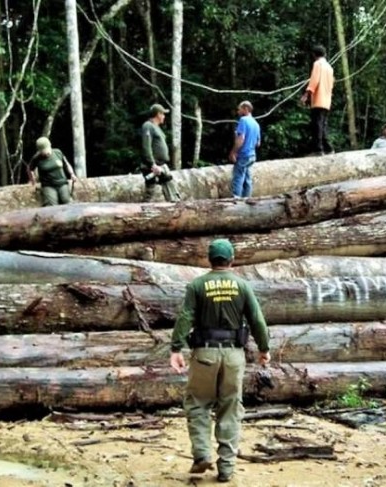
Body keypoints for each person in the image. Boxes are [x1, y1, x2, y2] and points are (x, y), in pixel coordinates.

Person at [170, 239, 270, 483]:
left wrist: (176, 348)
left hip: (204, 353)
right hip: (234, 356)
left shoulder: (197, 285)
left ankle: (202, 453)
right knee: (230, 407)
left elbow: (186, 317)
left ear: (209, 260)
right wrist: (264, 348)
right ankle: (226, 467)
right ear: (231, 260)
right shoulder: (242, 285)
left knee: (197, 403)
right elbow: (257, 319)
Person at [141, 103, 181, 202]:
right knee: (151, 191)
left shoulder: (156, 127)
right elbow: (146, 146)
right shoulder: (148, 126)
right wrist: (152, 164)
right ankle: (144, 211)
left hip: (161, 164)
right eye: (163, 114)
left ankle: (174, 205)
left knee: (169, 184)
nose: (164, 116)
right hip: (153, 165)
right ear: (158, 114)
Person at [300, 45, 334, 156]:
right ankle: (328, 148)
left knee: (317, 125)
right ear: (325, 54)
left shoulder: (317, 64)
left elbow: (314, 81)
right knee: (322, 124)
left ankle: (318, 149)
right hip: (327, 100)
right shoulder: (329, 67)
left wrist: (306, 94)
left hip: (319, 99)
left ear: (314, 55)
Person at [28, 137, 78, 206]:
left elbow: (66, 164)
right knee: (52, 204)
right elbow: (30, 169)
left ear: (50, 146)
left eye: (47, 149)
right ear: (39, 151)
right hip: (48, 185)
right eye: (43, 151)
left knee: (66, 200)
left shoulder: (57, 152)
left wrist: (72, 174)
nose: (46, 152)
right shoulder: (37, 158)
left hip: (62, 183)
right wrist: (33, 181)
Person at [229, 101, 261, 198]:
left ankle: (236, 201)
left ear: (246, 109)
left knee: (238, 178)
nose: (238, 111)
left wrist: (233, 152)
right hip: (252, 155)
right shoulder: (256, 123)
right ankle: (247, 199)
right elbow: (258, 143)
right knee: (247, 179)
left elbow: (241, 139)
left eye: (240, 109)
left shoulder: (243, 120)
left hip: (243, 155)